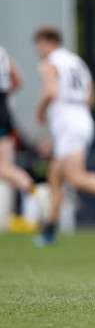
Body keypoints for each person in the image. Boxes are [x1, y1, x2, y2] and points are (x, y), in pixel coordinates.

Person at [33, 26, 95, 246]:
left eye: (39, 44)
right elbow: (91, 97)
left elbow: (50, 92)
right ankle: (49, 230)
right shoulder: (78, 63)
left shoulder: (50, 63)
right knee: (55, 178)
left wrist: (40, 111)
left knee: (75, 177)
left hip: (68, 124)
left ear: (49, 42)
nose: (39, 50)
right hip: (82, 118)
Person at [0, 46, 35, 232]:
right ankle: (34, 196)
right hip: (4, 110)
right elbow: (19, 80)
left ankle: (35, 196)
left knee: (3, 168)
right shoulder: (3, 51)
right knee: (5, 167)